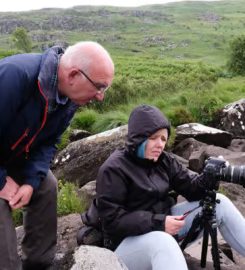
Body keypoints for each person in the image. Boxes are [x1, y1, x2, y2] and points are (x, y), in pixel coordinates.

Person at [0, 41, 114, 270]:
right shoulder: (15, 75)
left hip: (10, 157)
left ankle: (39, 263)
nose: (101, 96)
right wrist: (1, 181)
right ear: (73, 74)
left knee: (46, 185)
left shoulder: (68, 99)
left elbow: (47, 144)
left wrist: (31, 182)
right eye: (99, 87)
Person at [96, 104, 245, 270]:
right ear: (137, 137)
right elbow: (113, 222)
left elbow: (192, 189)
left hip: (162, 224)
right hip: (125, 245)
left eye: (163, 139)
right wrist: (159, 223)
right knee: (163, 241)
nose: (160, 144)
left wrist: (208, 177)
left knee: (219, 203)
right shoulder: (113, 169)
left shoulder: (164, 160)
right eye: (153, 138)